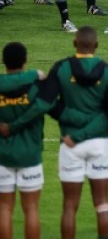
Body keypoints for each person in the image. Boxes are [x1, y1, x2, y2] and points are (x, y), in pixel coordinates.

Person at [1, 26, 108, 239]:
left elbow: (45, 104)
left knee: (69, 205)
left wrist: (73, 120)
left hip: (70, 143)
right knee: (103, 203)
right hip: (99, 143)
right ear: (96, 45)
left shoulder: (61, 68)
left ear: (74, 44)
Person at [0, 42, 45, 239]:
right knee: (32, 208)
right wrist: (36, 74)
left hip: (2, 156)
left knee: (4, 208)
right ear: (25, 60)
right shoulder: (35, 83)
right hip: (30, 155)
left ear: (3, 61)